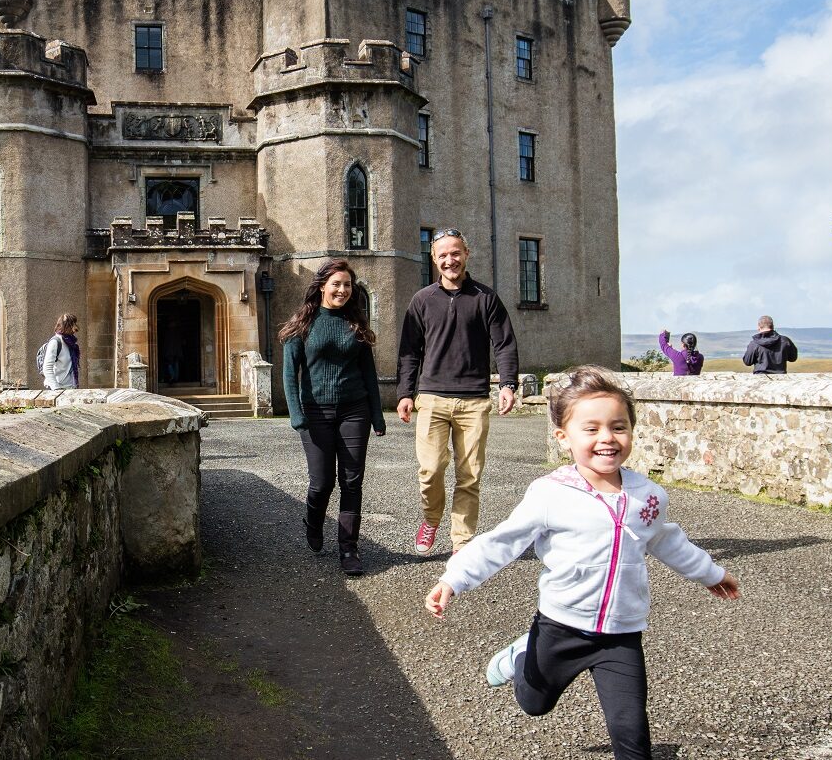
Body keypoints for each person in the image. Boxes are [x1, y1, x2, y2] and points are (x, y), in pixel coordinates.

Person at [424, 367, 740, 760]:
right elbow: (501, 542)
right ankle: (521, 656)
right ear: (564, 438)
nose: (607, 437)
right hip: (560, 627)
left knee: (631, 734)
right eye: (591, 429)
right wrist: (453, 579)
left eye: (618, 427)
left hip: (621, 634)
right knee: (534, 703)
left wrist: (711, 573)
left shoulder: (648, 495)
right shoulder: (550, 494)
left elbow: (665, 539)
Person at [396, 228, 518, 555]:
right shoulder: (422, 300)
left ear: (466, 254)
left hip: (474, 401)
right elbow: (409, 351)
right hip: (432, 398)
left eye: (455, 253)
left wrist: (508, 383)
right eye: (442, 255)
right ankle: (431, 517)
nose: (450, 260)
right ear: (434, 260)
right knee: (430, 469)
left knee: (469, 476)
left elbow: (504, 344)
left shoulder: (485, 297)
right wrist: (405, 393)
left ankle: (461, 542)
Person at [280, 258, 386, 576]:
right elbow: (289, 374)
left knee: (352, 481)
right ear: (322, 286)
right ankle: (313, 522)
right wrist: (296, 414)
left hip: (355, 410)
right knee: (322, 482)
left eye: (347, 285)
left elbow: (369, 374)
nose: (342, 290)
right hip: (316, 414)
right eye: (336, 284)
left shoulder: (356, 325)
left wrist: (377, 416)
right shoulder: (302, 325)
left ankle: (348, 549)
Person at [41, 313, 80, 389]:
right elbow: (47, 368)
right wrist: (56, 388)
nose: (75, 329)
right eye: (72, 325)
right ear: (65, 326)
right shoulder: (55, 342)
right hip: (57, 388)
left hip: (70, 388)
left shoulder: (71, 343)